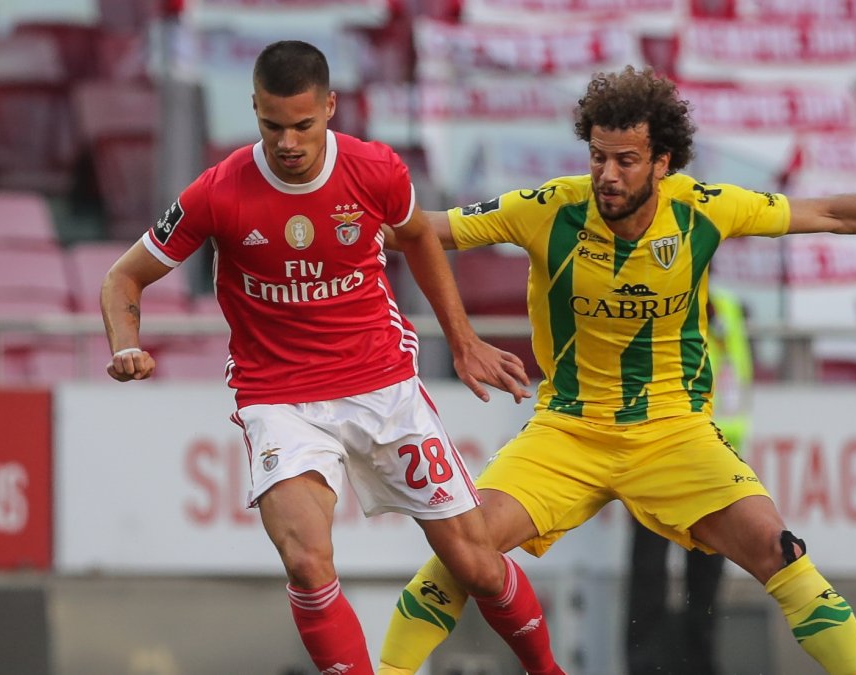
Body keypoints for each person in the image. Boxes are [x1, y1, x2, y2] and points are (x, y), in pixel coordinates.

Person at [375, 65, 856, 675]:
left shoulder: (702, 207)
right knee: (461, 554)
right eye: (598, 157)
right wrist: (336, 221)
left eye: (626, 160)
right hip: (567, 433)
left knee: (779, 548)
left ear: (661, 162)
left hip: (674, 433)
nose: (607, 174)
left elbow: (833, 212)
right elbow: (423, 227)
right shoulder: (549, 206)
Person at [99, 40, 564, 675]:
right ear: (254, 109)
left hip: (383, 386)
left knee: (476, 561)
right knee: (307, 561)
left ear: (330, 109)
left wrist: (462, 339)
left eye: (302, 125)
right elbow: (122, 279)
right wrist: (126, 345)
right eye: (271, 126)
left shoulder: (376, 171)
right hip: (280, 400)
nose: (287, 142)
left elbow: (420, 237)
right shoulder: (218, 190)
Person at [626, 287, 752, 675]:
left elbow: (738, 378)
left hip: (715, 459)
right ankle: (644, 666)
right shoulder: (660, 296)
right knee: (650, 569)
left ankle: (701, 665)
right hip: (659, 453)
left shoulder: (728, 306)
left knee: (707, 573)